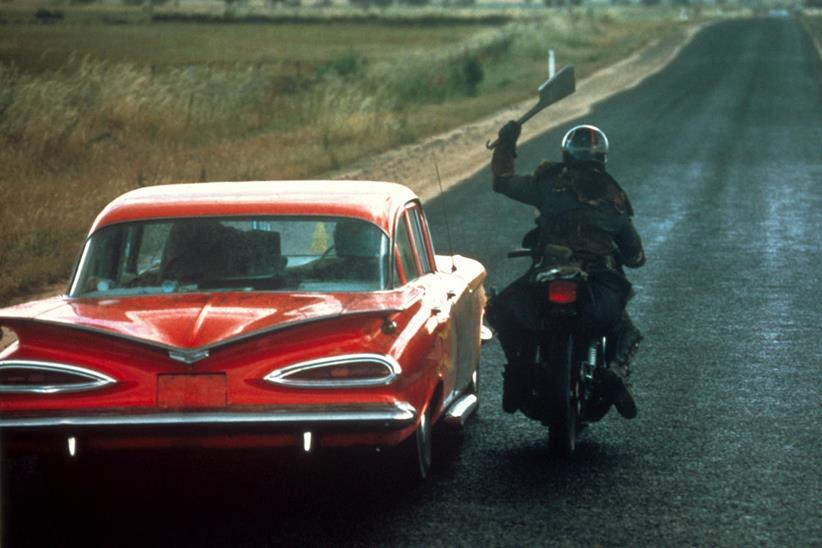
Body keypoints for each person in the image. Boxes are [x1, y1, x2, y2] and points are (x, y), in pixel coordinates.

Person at [486, 120, 645, 419]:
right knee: (626, 329)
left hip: (550, 268)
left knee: (498, 308)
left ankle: (517, 370)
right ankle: (616, 371)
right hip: (598, 276)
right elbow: (636, 256)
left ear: (566, 153)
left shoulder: (548, 182)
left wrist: (506, 144)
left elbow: (502, 180)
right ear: (602, 157)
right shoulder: (614, 195)